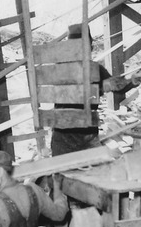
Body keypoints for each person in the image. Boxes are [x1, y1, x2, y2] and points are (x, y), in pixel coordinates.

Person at [50, 24, 135, 156]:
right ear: (89, 46)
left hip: (63, 139)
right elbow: (117, 88)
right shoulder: (93, 70)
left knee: (64, 174)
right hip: (84, 139)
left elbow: (116, 87)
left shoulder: (57, 68)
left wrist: (132, 81)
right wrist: (134, 81)